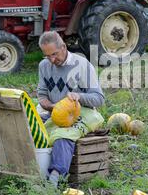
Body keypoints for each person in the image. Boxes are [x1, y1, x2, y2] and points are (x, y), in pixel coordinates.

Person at [36, 31, 105, 187]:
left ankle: (54, 180)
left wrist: (79, 96)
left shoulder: (82, 65)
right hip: (53, 113)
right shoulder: (44, 66)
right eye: (47, 56)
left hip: (80, 114)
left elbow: (99, 98)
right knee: (28, 126)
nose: (52, 60)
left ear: (63, 47)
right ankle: (3, 164)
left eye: (54, 54)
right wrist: (49, 105)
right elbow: (41, 94)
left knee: (63, 136)